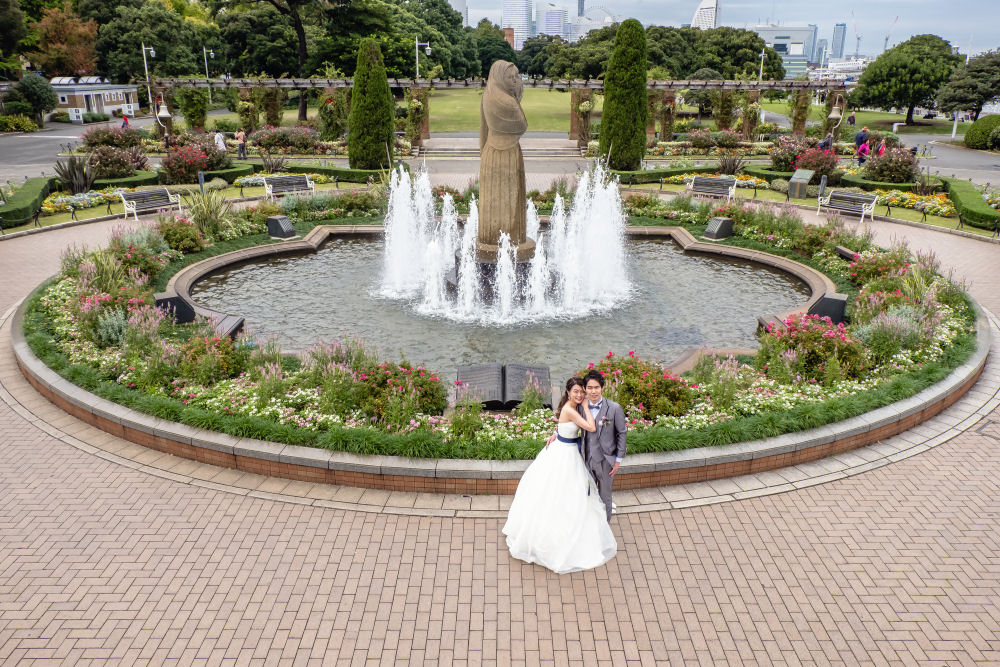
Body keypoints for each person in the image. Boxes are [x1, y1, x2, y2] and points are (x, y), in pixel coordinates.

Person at [503, 377, 617, 574]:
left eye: (582, 391)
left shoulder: (570, 407)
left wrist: (556, 432)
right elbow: (590, 427)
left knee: (571, 493)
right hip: (564, 454)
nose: (580, 395)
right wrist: (587, 408)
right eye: (576, 392)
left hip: (568, 449)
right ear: (568, 392)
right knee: (558, 492)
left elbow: (564, 426)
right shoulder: (571, 409)